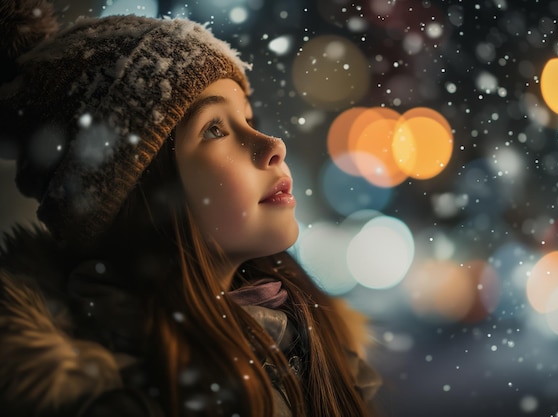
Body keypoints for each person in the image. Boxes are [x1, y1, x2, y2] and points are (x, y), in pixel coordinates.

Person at [0, 1, 381, 416]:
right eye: (215, 128)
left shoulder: (312, 344)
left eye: (249, 119)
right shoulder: (131, 402)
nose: (274, 145)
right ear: (143, 194)